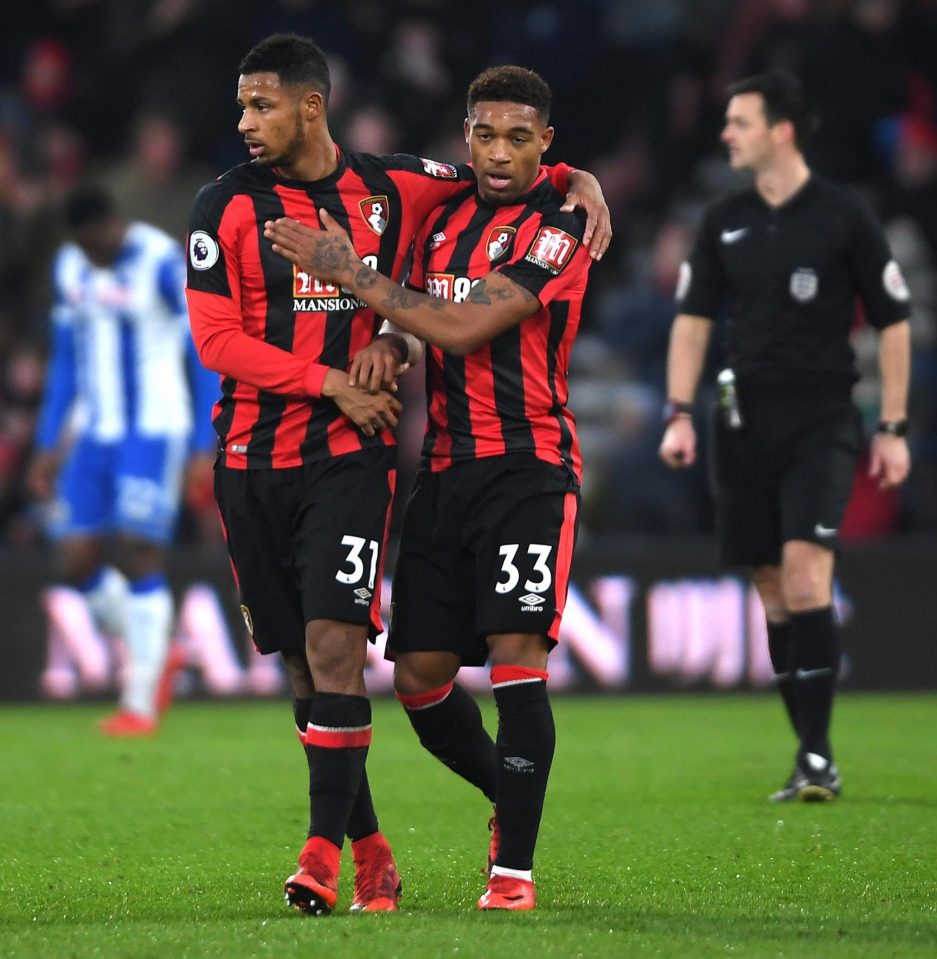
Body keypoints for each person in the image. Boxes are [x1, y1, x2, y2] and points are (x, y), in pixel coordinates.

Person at [184, 34, 610, 917]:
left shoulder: (449, 203)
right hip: (324, 462)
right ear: (466, 135)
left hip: (464, 459)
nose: (495, 154)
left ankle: (479, 868)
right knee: (386, 672)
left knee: (399, 651)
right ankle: (389, 836)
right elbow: (223, 339)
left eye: (260, 105)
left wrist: (581, 182)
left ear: (309, 105)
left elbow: (474, 298)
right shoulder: (236, 206)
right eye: (482, 136)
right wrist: (385, 340)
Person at [658, 73, 911, 802]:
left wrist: (891, 426)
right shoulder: (723, 219)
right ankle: (808, 752)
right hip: (739, 420)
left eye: (739, 122)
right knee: (770, 588)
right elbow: (693, 319)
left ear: (781, 130)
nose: (725, 135)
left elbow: (893, 319)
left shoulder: (841, 216)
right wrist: (678, 410)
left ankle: (817, 753)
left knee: (804, 575)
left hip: (820, 418)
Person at [26, 183, 217, 736]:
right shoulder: (71, 268)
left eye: (95, 244)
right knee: (75, 561)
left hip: (154, 430)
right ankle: (158, 649)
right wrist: (46, 445)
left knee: (137, 550)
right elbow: (64, 363)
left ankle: (139, 701)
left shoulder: (159, 260)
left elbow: (201, 352)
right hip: (92, 434)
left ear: (111, 226)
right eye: (81, 247)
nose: (90, 255)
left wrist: (205, 443)